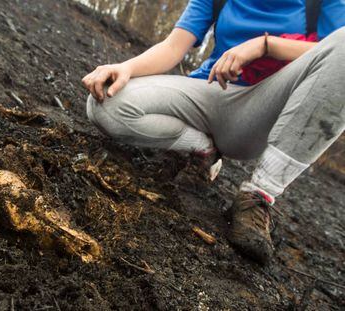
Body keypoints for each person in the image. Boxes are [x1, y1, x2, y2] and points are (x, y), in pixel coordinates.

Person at [82, 0, 345, 264]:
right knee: (106, 104)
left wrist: (266, 45)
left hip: (263, 114)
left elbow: (333, 54)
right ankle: (202, 148)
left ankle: (259, 195)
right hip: (207, 91)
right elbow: (173, 47)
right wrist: (126, 67)